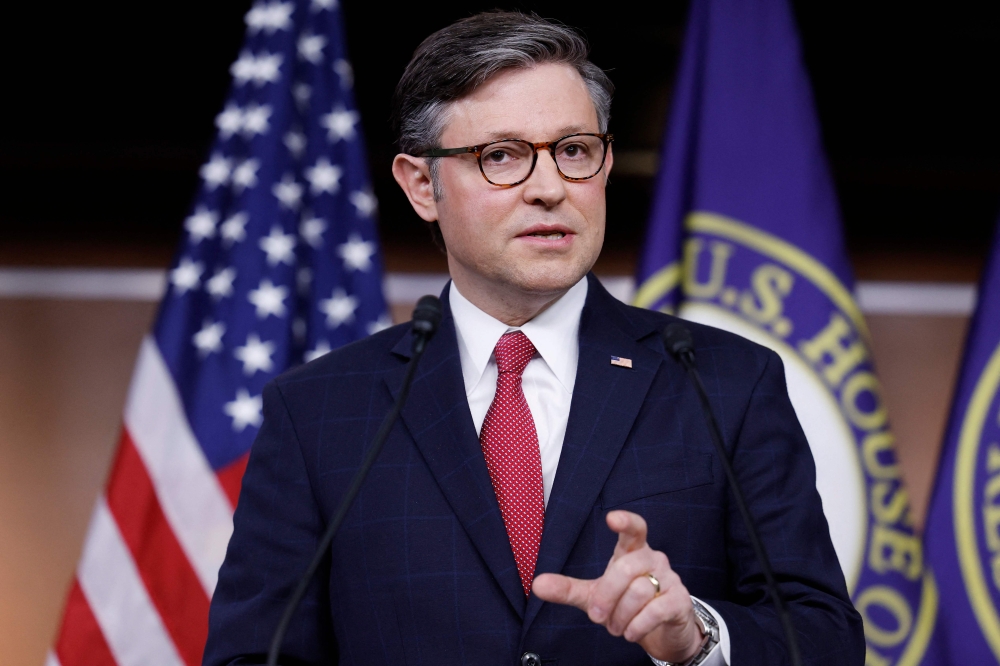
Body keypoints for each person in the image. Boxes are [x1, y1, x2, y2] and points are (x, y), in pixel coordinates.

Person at [204, 11, 864, 666]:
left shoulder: (722, 381)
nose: (549, 189)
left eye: (574, 151)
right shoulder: (319, 410)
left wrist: (699, 638)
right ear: (420, 186)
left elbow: (825, 640)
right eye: (501, 156)